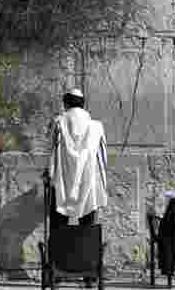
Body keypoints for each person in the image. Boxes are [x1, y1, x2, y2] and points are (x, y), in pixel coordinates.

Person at [45, 88, 108, 288]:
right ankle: (89, 273)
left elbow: (51, 151)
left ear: (65, 104)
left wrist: (49, 174)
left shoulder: (58, 123)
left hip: (61, 184)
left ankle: (57, 270)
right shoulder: (96, 127)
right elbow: (102, 159)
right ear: (83, 104)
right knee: (87, 227)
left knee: (58, 227)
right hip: (89, 185)